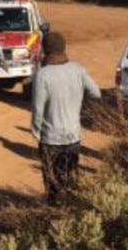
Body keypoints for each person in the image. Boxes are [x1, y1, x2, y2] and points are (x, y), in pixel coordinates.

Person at [31, 31, 101, 206]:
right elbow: (96, 93)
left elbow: (38, 110)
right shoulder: (79, 70)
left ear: (45, 50)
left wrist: (36, 132)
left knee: (52, 182)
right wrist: (80, 111)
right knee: (70, 177)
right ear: (63, 48)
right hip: (73, 135)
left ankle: (53, 211)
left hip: (50, 138)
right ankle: (69, 209)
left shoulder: (43, 75)